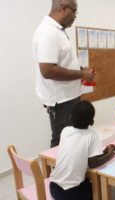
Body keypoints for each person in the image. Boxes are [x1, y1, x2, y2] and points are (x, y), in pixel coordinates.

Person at [33, 0, 95, 147]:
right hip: (61, 102)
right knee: (61, 142)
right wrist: (82, 75)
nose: (75, 16)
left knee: (72, 141)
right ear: (63, 8)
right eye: (74, 11)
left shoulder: (58, 31)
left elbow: (62, 63)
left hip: (69, 98)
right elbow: (48, 70)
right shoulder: (48, 32)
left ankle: (70, 168)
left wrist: (81, 71)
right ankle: (58, 170)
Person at [49, 101, 115, 200]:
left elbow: (82, 151)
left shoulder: (65, 131)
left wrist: (103, 152)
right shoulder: (92, 135)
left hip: (54, 187)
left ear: (70, 117)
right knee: (95, 187)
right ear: (91, 122)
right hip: (71, 193)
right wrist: (110, 154)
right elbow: (92, 163)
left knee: (85, 181)